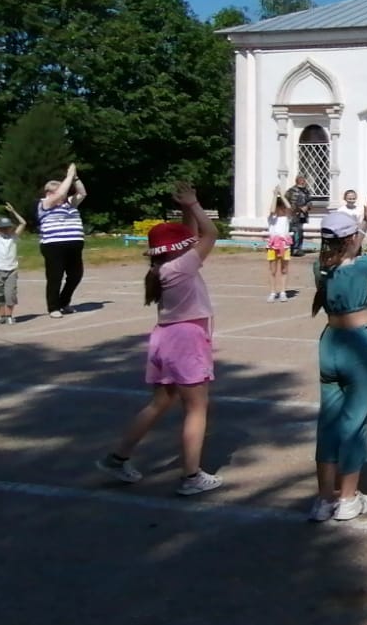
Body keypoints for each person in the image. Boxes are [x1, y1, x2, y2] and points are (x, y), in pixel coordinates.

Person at [95, 181, 222, 496]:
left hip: (166, 337)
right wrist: (194, 205)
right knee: (196, 407)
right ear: (177, 250)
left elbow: (191, 235)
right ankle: (191, 476)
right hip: (187, 339)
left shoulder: (164, 267)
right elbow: (211, 235)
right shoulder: (182, 266)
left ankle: (118, 456)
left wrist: (184, 209)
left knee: (160, 401)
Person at [309, 198, 367, 522]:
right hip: (358, 344)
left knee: (328, 423)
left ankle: (323, 499)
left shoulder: (321, 267)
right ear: (351, 239)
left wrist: (363, 224)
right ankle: (347, 498)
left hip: (329, 343)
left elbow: (345, 242)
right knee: (357, 422)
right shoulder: (360, 266)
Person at [38, 162, 87, 317]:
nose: (64, 194)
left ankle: (64, 302)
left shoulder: (70, 204)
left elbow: (83, 193)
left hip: (74, 245)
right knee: (55, 277)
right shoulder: (44, 204)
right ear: (48, 193)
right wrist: (69, 176)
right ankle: (53, 307)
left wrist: (75, 178)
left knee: (76, 275)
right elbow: (59, 195)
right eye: (59, 191)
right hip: (53, 246)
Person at [266, 190, 293, 303]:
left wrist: (281, 196)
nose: (280, 210)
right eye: (278, 207)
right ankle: (273, 292)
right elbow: (272, 210)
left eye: (282, 207)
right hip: (273, 245)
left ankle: (283, 292)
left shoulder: (287, 218)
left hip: (284, 245)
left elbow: (289, 207)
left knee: (284, 269)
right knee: (273, 270)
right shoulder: (271, 218)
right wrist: (274, 195)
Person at [287, 176, 313, 256]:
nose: (303, 182)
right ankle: (294, 249)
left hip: (302, 215)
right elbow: (287, 203)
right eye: (301, 181)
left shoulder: (306, 191)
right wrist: (299, 208)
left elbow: (310, 201)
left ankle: (298, 248)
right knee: (295, 231)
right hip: (293, 215)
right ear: (297, 181)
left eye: (304, 181)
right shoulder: (291, 191)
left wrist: (307, 207)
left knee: (300, 231)